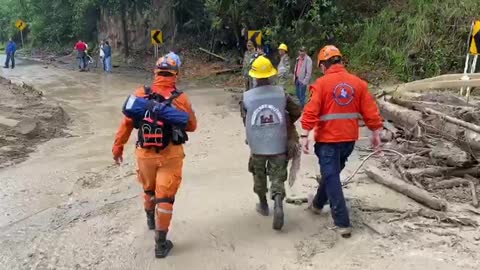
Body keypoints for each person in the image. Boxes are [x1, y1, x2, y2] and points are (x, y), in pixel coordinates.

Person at [112, 56, 197, 258]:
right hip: (171, 154)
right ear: (176, 74)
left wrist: (118, 147)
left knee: (149, 189)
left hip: (144, 154)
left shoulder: (141, 94)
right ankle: (160, 243)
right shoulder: (181, 98)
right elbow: (192, 126)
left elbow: (126, 124)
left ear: (155, 73)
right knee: (166, 197)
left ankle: (150, 217)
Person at [300, 45, 383, 238]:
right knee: (331, 175)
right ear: (340, 61)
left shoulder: (321, 84)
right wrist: (376, 133)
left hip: (328, 140)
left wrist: (305, 135)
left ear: (323, 65)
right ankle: (318, 204)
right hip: (348, 140)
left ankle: (342, 222)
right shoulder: (358, 84)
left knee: (332, 177)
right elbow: (370, 112)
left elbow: (311, 112)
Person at [240, 56, 302, 231]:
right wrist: (285, 120)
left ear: (254, 77)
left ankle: (263, 204)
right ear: (271, 75)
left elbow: (246, 120)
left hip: (258, 145)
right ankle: (278, 204)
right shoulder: (281, 93)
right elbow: (297, 110)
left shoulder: (246, 97)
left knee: (258, 175)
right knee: (277, 175)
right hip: (278, 142)